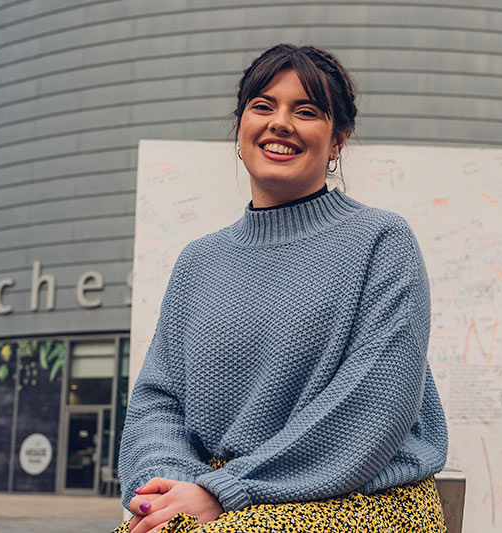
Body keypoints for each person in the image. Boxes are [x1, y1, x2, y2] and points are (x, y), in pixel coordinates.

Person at [114, 44, 448, 533]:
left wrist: (221, 491)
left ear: (338, 139)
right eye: (263, 106)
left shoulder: (381, 241)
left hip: (357, 499)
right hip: (223, 497)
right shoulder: (199, 261)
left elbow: (375, 406)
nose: (280, 123)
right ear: (240, 124)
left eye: (307, 111)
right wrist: (164, 487)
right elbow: (158, 400)